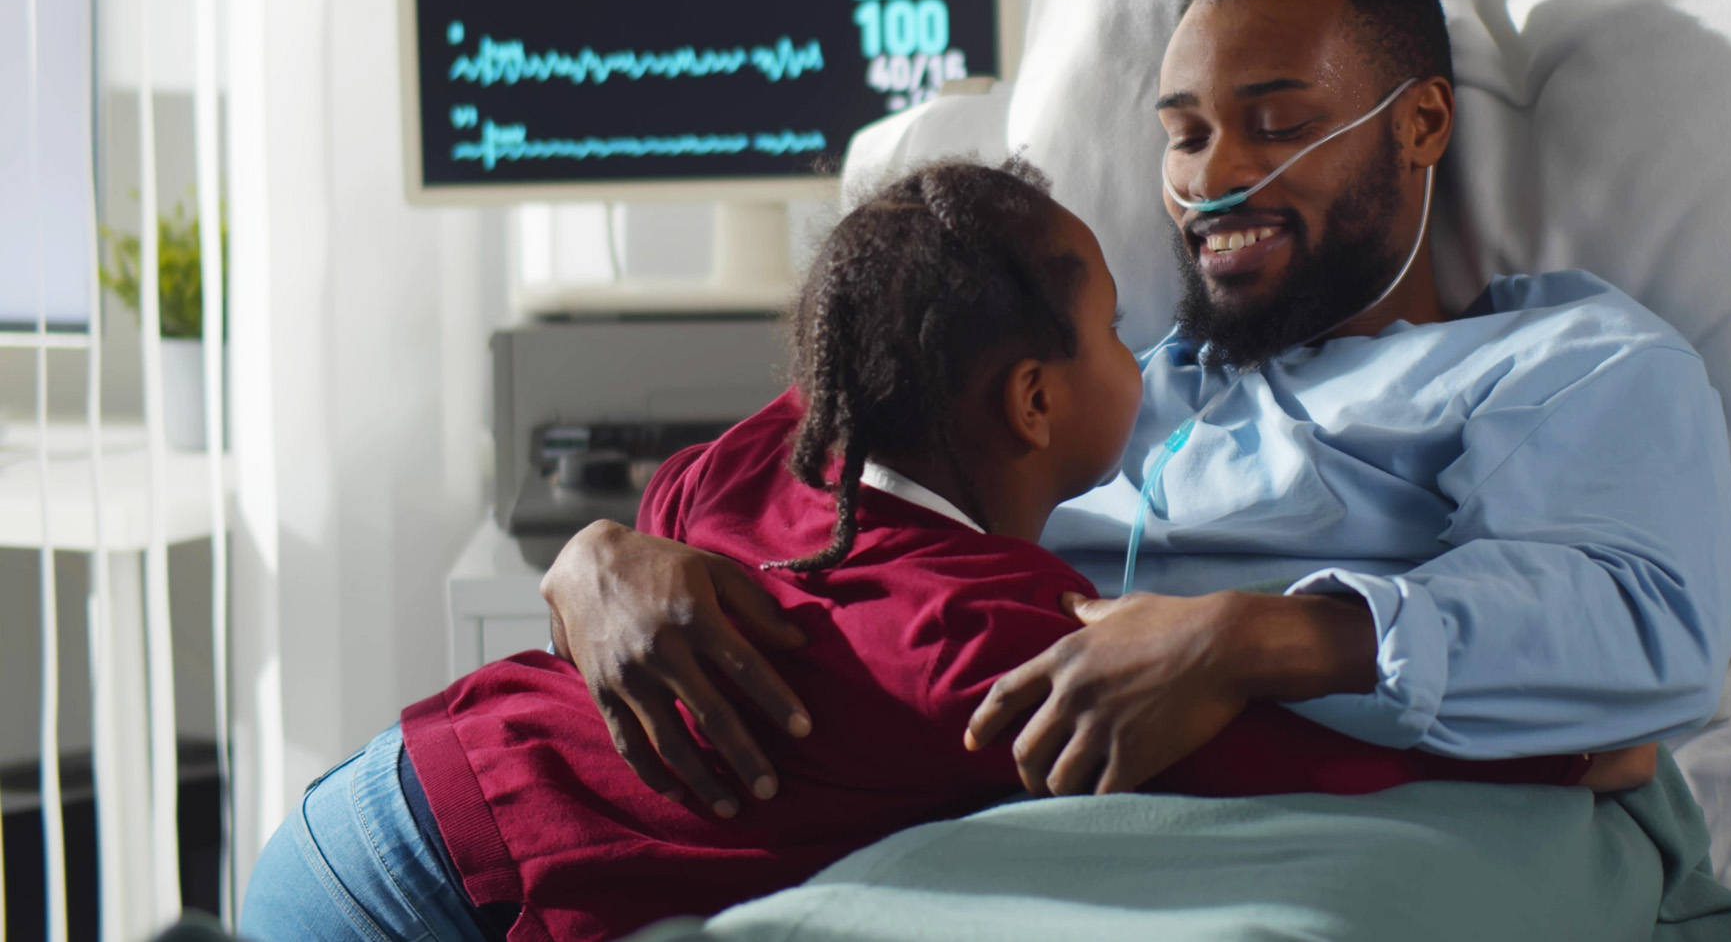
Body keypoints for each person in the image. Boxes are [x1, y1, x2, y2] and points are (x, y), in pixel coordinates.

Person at [240, 160, 1639, 942]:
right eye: (1105, 335)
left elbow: (676, 494)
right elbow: (1286, 745)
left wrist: (612, 547)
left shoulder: (785, 459)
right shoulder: (986, 641)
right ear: (1033, 400)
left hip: (366, 800)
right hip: (414, 896)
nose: (1139, 353)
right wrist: (1577, 747)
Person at [546, 0, 1731, 819]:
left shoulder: (1558, 364)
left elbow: (1636, 625)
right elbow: (801, 468)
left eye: (1274, 124)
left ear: (1420, 124)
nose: (1213, 179)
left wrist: (1245, 638)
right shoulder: (1070, 372)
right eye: (1184, 132)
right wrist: (604, 555)